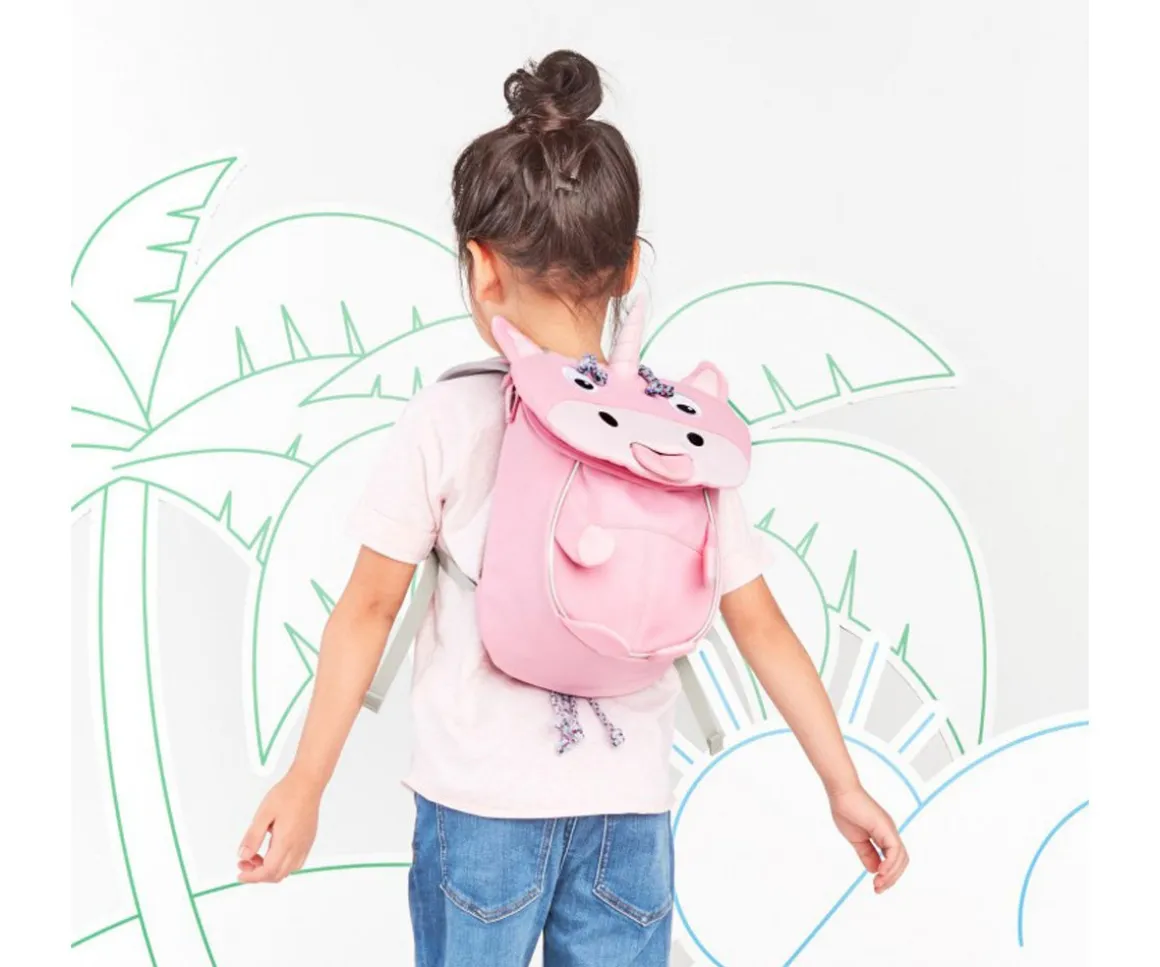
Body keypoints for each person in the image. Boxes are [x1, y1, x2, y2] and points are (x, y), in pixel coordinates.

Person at [237, 49, 908, 967]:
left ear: (481, 268)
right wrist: (843, 782)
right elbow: (760, 622)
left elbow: (367, 609)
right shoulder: (676, 433)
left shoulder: (450, 414)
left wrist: (305, 781)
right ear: (629, 266)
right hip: (628, 814)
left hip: (482, 809)